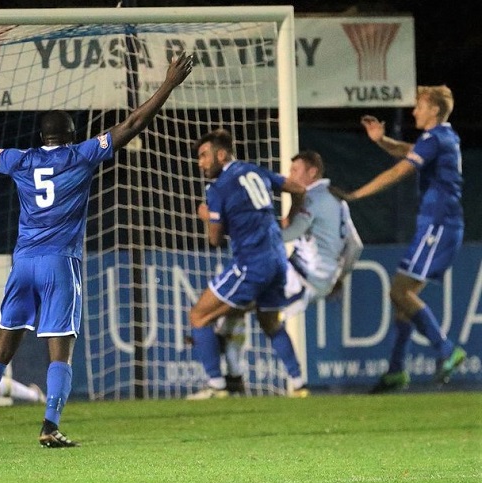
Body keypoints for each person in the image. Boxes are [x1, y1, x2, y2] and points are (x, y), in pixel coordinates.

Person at [0, 54, 194, 447]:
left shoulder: (23, 159)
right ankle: (49, 425)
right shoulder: (82, 155)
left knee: (2, 348)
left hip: (23, 264)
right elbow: (133, 123)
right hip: (59, 263)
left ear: (42, 138)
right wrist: (168, 84)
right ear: (71, 135)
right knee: (60, 352)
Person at [187, 150, 363, 399]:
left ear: (312, 172)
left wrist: (252, 228)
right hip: (309, 274)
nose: (290, 175)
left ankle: (222, 380)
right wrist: (339, 277)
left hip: (301, 276)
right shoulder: (337, 200)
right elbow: (356, 245)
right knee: (264, 319)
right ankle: (296, 383)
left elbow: (288, 233)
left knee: (216, 313)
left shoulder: (312, 199)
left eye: (295, 171)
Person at [335, 85, 466, 393]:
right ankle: (396, 370)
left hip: (439, 225)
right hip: (435, 224)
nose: (414, 111)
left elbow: (398, 172)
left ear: (433, 110)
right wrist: (382, 140)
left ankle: (446, 349)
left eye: (419, 106)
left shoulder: (436, 138)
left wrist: (357, 194)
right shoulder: (443, 138)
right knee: (400, 300)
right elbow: (408, 151)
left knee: (400, 291)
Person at [187, 129, 309, 400]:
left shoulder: (219, 187)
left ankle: (216, 386)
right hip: (278, 259)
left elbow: (215, 239)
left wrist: (206, 216)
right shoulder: (255, 171)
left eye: (204, 156)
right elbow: (298, 189)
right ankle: (299, 384)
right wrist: (289, 216)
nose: (201, 163)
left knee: (198, 316)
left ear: (221, 154)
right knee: (269, 323)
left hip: (251, 262)